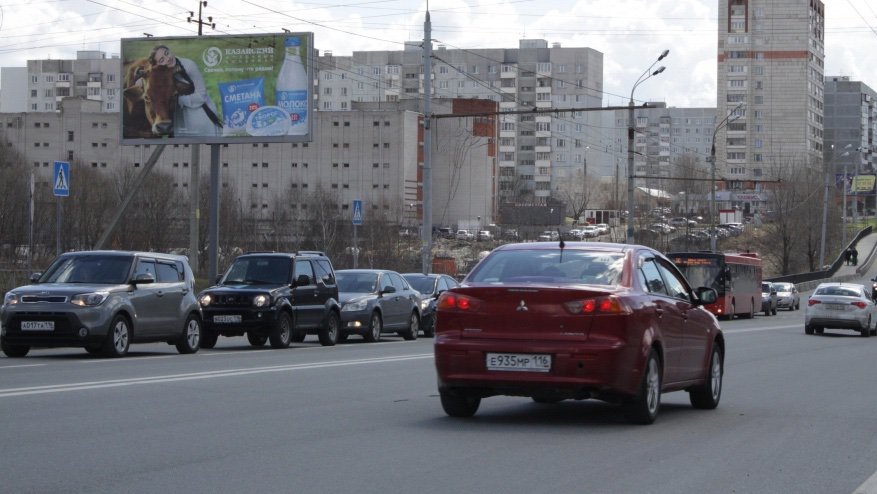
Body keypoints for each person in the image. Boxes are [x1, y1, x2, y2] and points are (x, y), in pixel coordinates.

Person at [148, 45, 221, 137]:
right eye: (162, 60)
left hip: (200, 112)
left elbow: (202, 95)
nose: (168, 58)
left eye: (167, 53)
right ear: (157, 65)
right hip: (179, 115)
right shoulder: (160, 74)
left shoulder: (189, 65)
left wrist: (178, 100)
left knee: (202, 139)